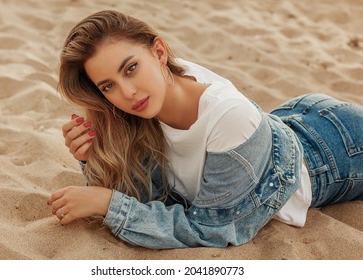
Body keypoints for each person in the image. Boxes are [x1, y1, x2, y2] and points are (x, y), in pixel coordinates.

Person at [47, 10, 363, 249]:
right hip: (291, 119)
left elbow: (211, 228)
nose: (127, 92)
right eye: (108, 85)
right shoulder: (146, 102)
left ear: (158, 52)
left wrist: (107, 203)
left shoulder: (227, 117)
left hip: (338, 153)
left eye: (131, 68)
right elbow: (149, 193)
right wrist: (91, 157)